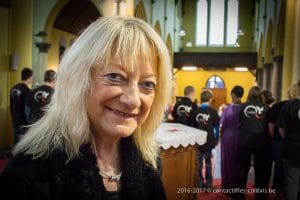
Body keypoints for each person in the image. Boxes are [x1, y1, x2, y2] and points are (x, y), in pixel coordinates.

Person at [0, 16, 172, 200]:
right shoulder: (29, 174)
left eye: (147, 84)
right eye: (115, 76)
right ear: (78, 79)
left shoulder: (149, 161)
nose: (133, 101)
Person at [237, 86, 271, 199]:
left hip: (244, 141)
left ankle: (240, 195)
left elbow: (239, 122)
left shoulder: (243, 106)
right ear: (260, 95)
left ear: (250, 94)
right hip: (261, 142)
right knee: (261, 171)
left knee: (242, 169)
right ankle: (260, 196)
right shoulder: (266, 107)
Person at [265, 84, 297, 199]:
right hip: (292, 143)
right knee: (292, 172)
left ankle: (278, 193)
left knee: (279, 168)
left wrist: (275, 138)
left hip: (279, 142)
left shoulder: (278, 106)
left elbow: (271, 125)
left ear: (288, 94)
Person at [191, 89, 220, 190]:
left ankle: (199, 183)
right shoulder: (213, 111)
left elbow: (192, 127)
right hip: (209, 140)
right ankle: (209, 184)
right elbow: (216, 128)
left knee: (198, 163)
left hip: (198, 141)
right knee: (208, 163)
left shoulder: (195, 111)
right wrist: (216, 140)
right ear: (210, 99)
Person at [220, 85, 244, 198]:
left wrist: (221, 136)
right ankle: (238, 187)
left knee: (227, 162)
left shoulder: (228, 109)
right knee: (238, 162)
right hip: (241, 137)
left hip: (228, 137)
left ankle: (228, 187)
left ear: (233, 95)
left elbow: (222, 125)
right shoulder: (244, 108)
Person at [278, 81, 300, 200]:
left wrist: (288, 139)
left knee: (292, 180)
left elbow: (281, 128)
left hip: (293, 147)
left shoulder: (290, 105)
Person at [10, 67, 33, 143]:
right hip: (24, 122)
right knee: (23, 143)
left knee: (16, 140)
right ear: (30, 77)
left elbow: (11, 105)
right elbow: (28, 109)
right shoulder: (28, 91)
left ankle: (14, 154)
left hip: (15, 119)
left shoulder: (13, 89)